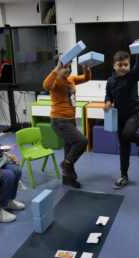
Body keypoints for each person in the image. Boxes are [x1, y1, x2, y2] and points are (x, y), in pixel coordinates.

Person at [43, 54, 91, 188]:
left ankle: (66, 177)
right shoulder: (55, 81)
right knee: (82, 141)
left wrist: (86, 68)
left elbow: (86, 78)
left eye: (70, 66)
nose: (68, 70)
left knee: (69, 150)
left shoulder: (71, 79)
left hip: (70, 120)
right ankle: (67, 165)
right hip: (59, 121)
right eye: (64, 67)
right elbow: (46, 85)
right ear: (57, 67)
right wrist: (58, 68)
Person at [104, 47, 139, 189]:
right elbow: (109, 95)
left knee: (128, 134)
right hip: (120, 117)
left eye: (126, 64)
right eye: (120, 64)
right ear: (114, 65)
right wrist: (108, 102)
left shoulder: (132, 76)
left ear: (129, 65)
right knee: (124, 146)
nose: (123, 67)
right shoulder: (110, 81)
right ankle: (124, 176)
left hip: (134, 113)